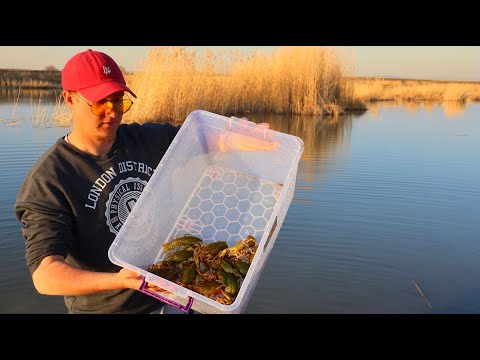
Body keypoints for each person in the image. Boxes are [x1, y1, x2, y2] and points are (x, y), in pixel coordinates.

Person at [14, 49, 278, 314]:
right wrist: (118, 281)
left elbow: (204, 139)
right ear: (69, 100)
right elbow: (45, 275)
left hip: (171, 296)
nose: (112, 113)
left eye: (118, 101)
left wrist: (236, 137)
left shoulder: (144, 140)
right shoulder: (49, 181)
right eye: (100, 103)